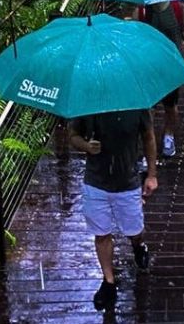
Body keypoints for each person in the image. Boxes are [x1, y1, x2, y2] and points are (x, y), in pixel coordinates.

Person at [70, 109, 158, 312]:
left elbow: (148, 137)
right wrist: (86, 146)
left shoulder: (136, 104)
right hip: (95, 181)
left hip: (127, 181)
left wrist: (151, 174)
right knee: (101, 233)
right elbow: (73, 136)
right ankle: (108, 282)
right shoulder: (87, 102)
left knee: (134, 230)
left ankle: (138, 246)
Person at [138, 0, 184, 157]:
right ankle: (148, 146)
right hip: (148, 66)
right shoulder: (142, 11)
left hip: (171, 66)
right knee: (148, 108)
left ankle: (168, 135)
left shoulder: (178, 8)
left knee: (170, 106)